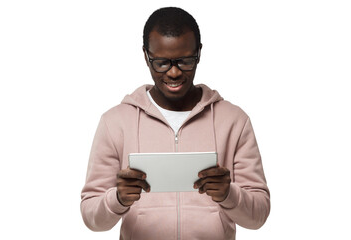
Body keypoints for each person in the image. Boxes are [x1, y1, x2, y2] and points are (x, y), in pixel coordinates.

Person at [81, 7, 270, 240]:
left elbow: (259, 215)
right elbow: (91, 218)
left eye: (185, 61)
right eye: (161, 62)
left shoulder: (234, 121)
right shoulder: (115, 122)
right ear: (145, 55)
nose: (173, 73)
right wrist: (117, 199)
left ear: (199, 53)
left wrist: (228, 194)